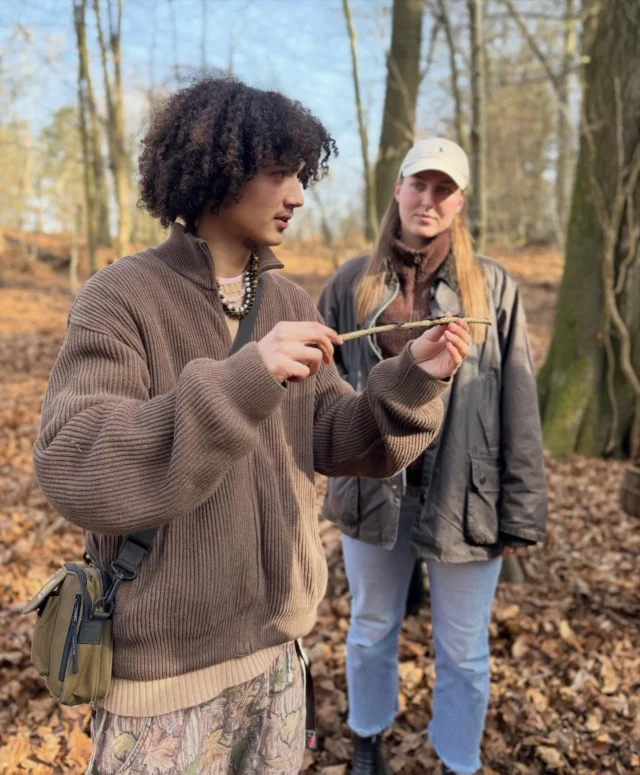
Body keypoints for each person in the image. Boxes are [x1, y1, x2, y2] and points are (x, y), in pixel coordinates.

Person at [33, 80, 472, 775]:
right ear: (215, 170)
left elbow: (338, 437)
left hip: (277, 663)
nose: (297, 195)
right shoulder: (120, 296)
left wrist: (415, 376)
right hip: (164, 684)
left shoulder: (289, 301)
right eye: (278, 173)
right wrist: (245, 379)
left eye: (301, 175)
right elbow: (75, 462)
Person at [318, 137, 547, 775]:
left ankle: (457, 759)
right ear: (398, 189)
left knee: (465, 651)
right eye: (418, 184)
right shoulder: (351, 284)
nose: (428, 199)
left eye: (443, 189)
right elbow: (320, 393)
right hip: (372, 488)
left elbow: (518, 400)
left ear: (460, 202)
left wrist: (521, 514)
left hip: (466, 497)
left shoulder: (491, 287)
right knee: (370, 628)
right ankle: (368, 739)